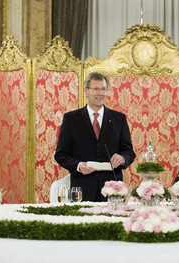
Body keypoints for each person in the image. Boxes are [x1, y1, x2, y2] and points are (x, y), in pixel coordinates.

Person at [54, 72, 135, 202]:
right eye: (96, 89)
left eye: (103, 89)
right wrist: (79, 166)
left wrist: (122, 158)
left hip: (112, 190)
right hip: (82, 189)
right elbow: (61, 155)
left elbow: (129, 152)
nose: (100, 93)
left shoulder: (119, 119)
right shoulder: (71, 119)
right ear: (86, 91)